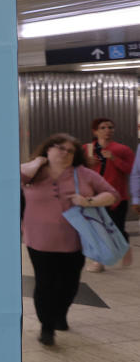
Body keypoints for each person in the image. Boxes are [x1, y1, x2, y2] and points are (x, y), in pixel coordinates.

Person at [21, 133, 119, 346]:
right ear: (48, 149)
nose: (65, 153)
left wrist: (88, 200)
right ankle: (46, 326)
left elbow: (111, 194)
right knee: (44, 284)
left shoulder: (83, 174)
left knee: (69, 284)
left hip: (74, 241)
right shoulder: (34, 173)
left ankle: (60, 314)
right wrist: (37, 161)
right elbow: (17, 175)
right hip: (39, 240)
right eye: (59, 148)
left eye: (70, 151)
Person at [84, 118, 135, 271]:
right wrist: (87, 163)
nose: (108, 130)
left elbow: (132, 170)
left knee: (116, 228)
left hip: (116, 196)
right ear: (95, 131)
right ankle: (99, 261)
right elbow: (73, 169)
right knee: (97, 227)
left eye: (110, 127)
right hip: (93, 196)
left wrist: (115, 159)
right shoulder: (86, 149)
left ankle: (124, 247)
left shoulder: (122, 149)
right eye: (103, 127)